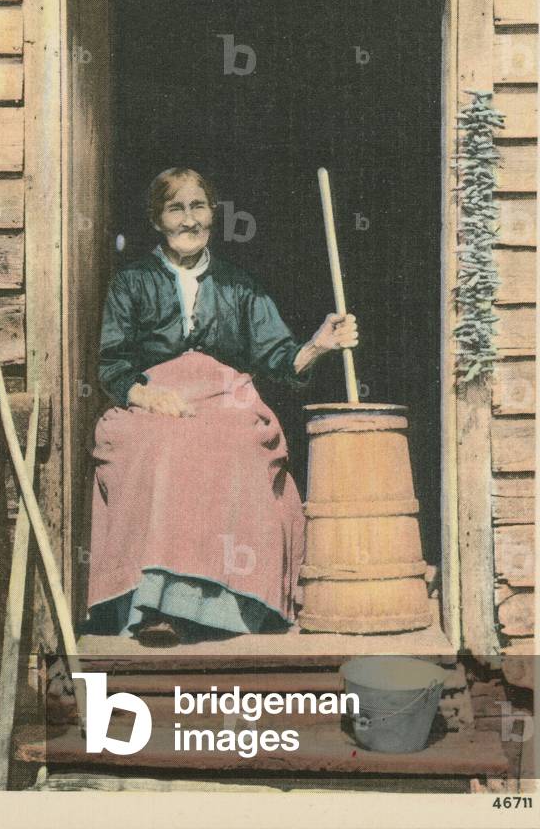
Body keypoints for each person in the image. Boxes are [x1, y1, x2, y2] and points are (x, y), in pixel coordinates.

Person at [84, 167, 358, 645]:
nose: (189, 220)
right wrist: (148, 395)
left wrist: (317, 345)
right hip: (155, 401)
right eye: (176, 208)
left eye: (198, 207)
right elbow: (112, 364)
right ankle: (155, 606)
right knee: (160, 448)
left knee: (234, 447)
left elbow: (279, 357)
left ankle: (227, 609)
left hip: (227, 400)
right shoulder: (131, 282)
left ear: (213, 213)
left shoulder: (239, 285)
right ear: (156, 220)